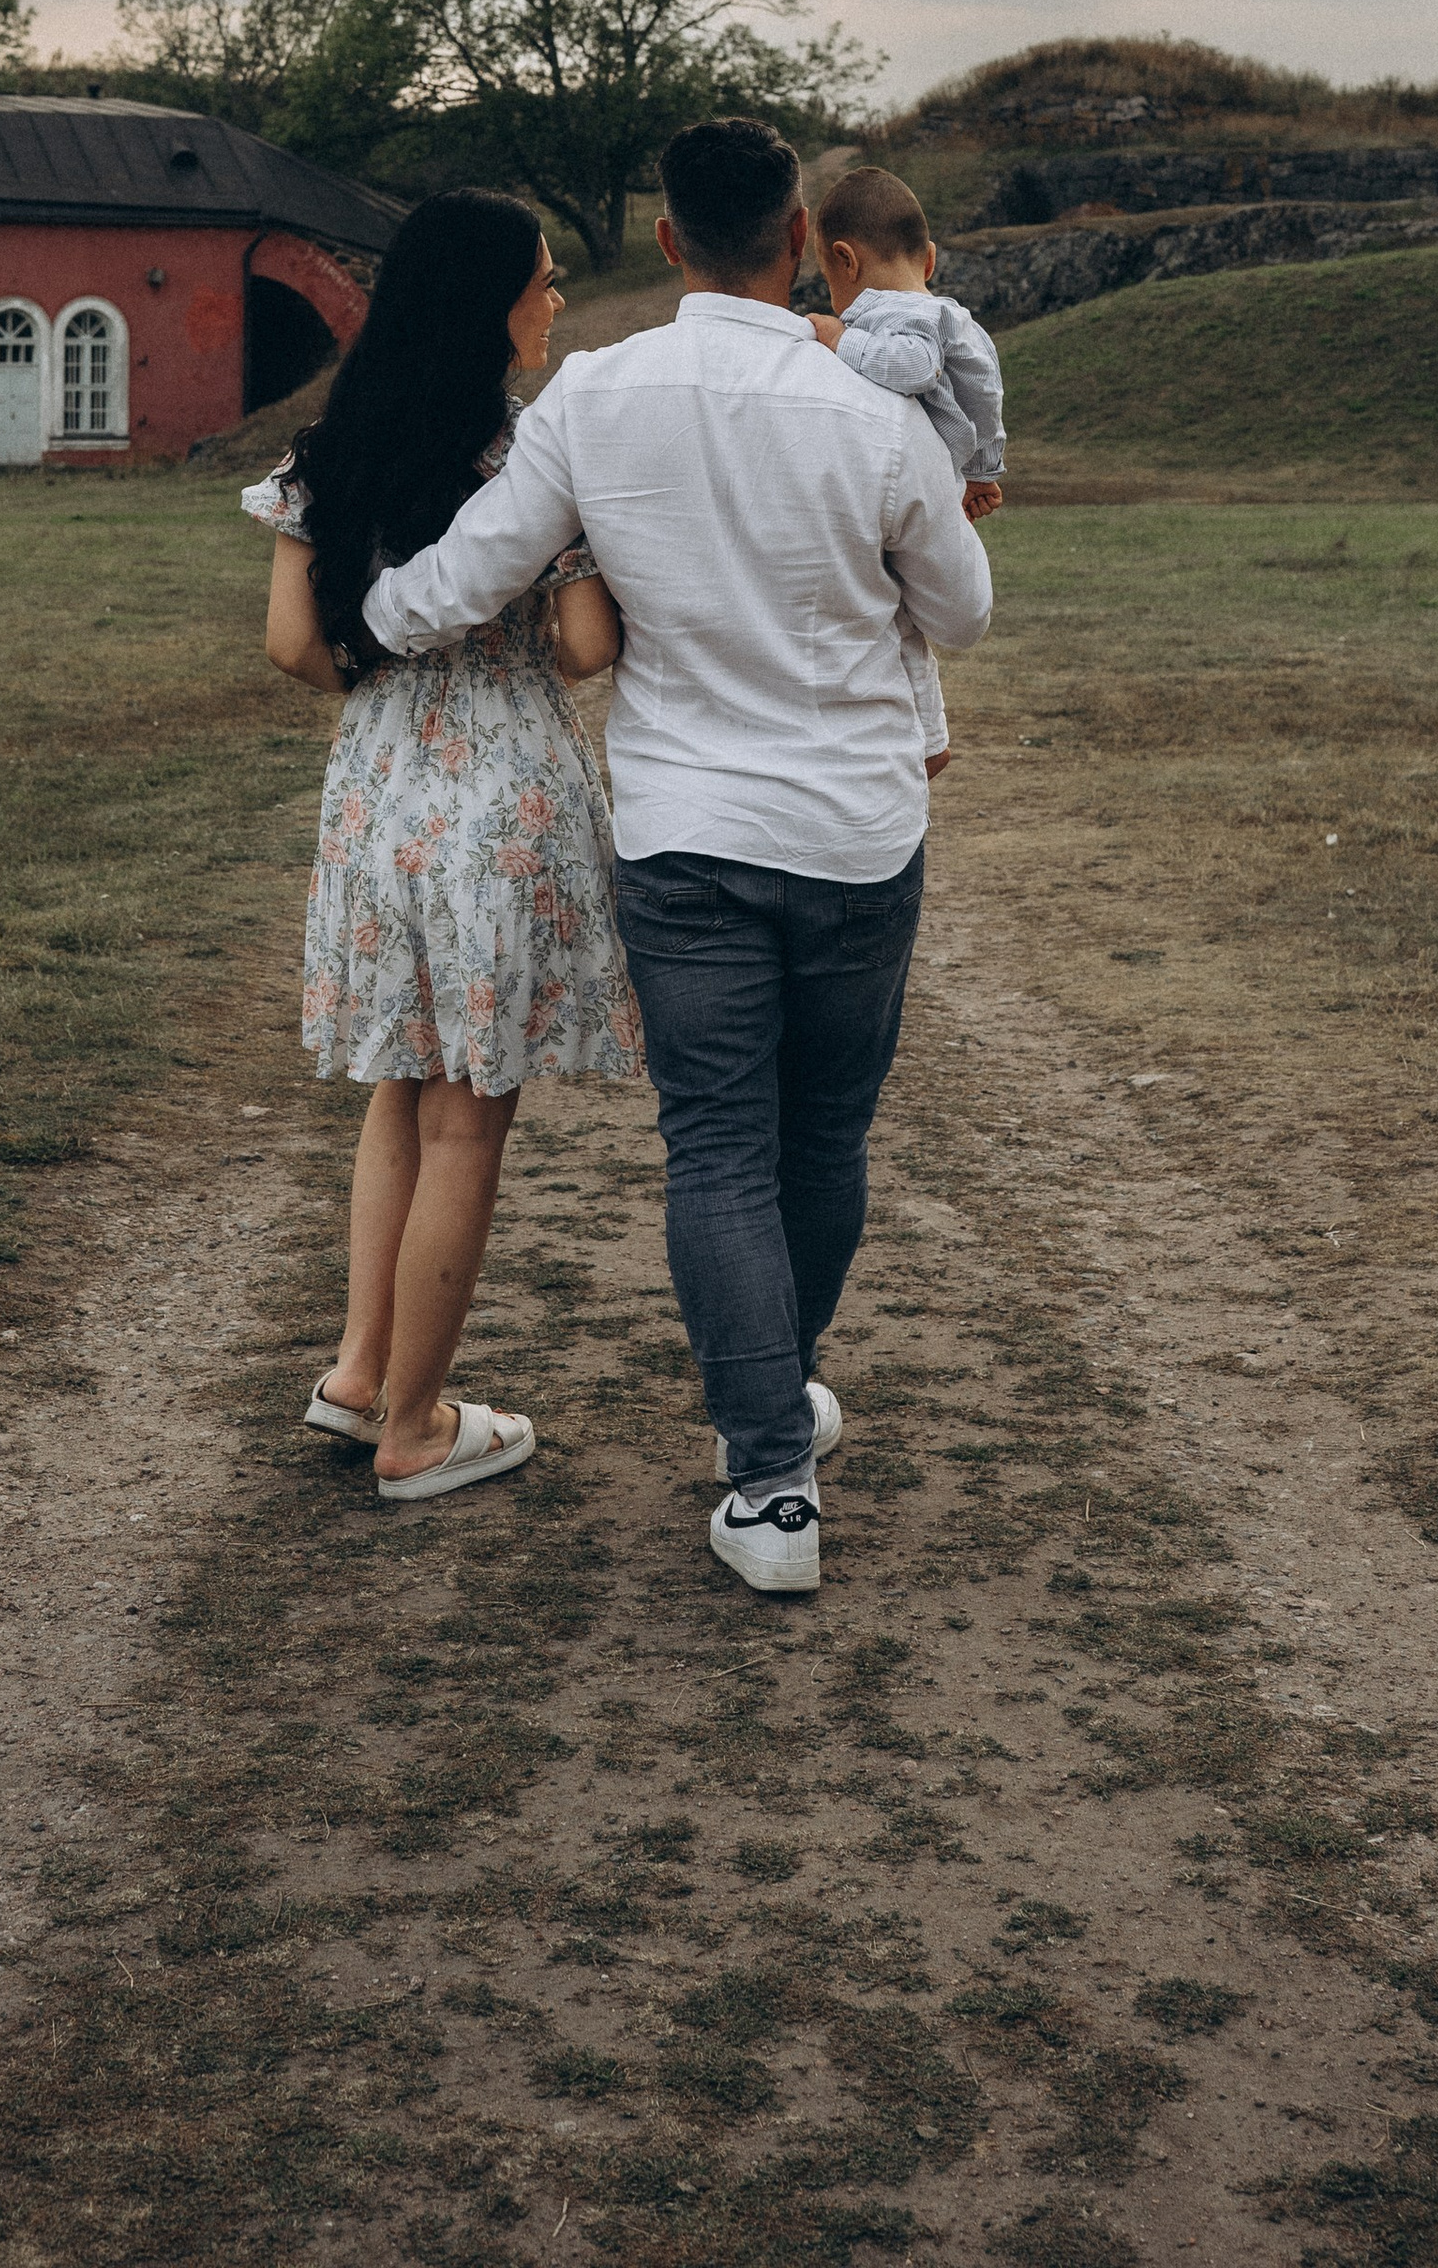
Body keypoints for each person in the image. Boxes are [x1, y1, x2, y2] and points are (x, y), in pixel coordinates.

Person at [359, 116, 994, 1596]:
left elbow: (479, 567)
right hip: (851, 830)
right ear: (797, 242)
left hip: (687, 834)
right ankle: (772, 1417)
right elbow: (960, 613)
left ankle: (769, 1472)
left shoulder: (595, 394)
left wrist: (363, 623)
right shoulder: (868, 406)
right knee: (821, 1139)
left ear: (663, 241)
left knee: (716, 1146)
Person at [246, 189, 639, 1507]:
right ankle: (417, 1426)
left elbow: (297, 647)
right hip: (500, 798)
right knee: (471, 1116)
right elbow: (584, 647)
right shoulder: (526, 465)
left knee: (400, 1088)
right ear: (486, 303)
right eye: (542, 280)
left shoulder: (326, 449)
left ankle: (360, 1371)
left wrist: (392, 696)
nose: (554, 301)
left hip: (377, 794)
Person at [807, 162, 1006, 782]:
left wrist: (841, 341)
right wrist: (983, 470)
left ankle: (930, 738)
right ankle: (931, 736)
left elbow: (913, 368)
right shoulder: (951, 314)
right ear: (931, 258)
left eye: (827, 278)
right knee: (905, 614)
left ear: (845, 260)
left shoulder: (895, 314)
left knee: (895, 613)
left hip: (912, 472)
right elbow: (986, 399)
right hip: (940, 470)